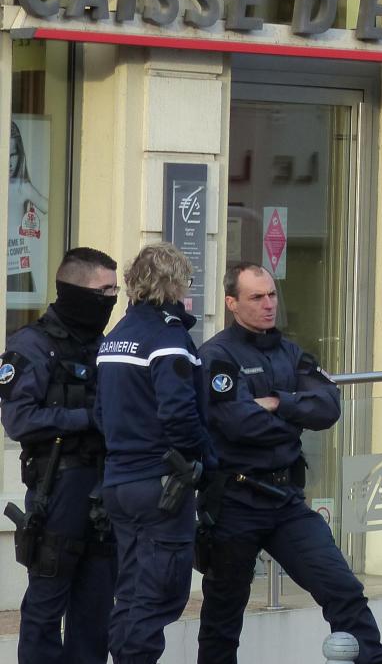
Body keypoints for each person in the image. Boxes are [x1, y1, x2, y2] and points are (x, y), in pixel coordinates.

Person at [195, 263, 382, 664]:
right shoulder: (217, 356)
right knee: (222, 617)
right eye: (256, 297)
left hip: (285, 501)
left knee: (343, 590)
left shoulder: (291, 352)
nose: (269, 304)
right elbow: (238, 423)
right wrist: (295, 416)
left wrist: (276, 402)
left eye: (271, 294)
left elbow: (329, 407)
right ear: (232, 303)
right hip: (234, 501)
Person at [95, 242, 215, 664]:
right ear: (174, 283)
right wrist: (200, 460)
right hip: (161, 485)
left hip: (118, 482)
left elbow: (101, 413)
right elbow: (179, 412)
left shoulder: (115, 338)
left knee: (130, 591)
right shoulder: (167, 337)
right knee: (160, 591)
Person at [0, 247, 119, 664]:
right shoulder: (31, 345)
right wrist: (87, 418)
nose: (112, 299)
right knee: (46, 605)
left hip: (103, 488)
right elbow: (19, 420)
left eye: (115, 290)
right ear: (75, 291)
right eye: (105, 291)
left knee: (96, 609)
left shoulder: (106, 346)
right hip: (57, 488)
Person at [9, 121, 50, 299]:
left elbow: (50, 209)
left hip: (17, 264)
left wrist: (34, 226)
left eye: (13, 155)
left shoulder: (22, 187)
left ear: (21, 155)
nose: (9, 162)